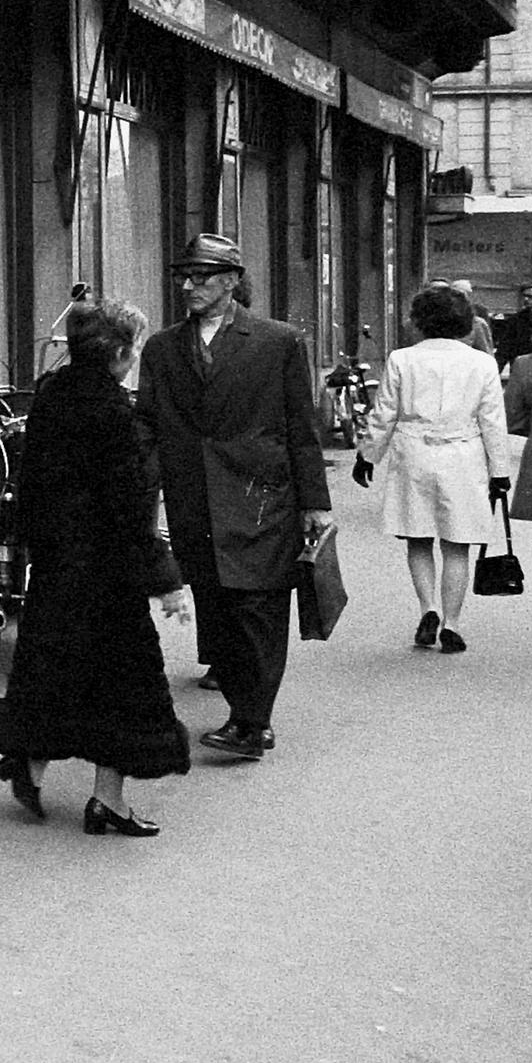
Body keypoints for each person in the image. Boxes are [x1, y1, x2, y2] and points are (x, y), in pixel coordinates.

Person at [0, 300, 193, 837]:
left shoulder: (52, 394)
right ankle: (107, 800)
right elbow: (128, 503)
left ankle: (29, 764)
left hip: (57, 564)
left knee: (51, 667)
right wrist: (165, 580)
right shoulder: (114, 413)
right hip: (108, 571)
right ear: (121, 353)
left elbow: (31, 485)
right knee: (127, 683)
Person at [135, 234, 331, 763]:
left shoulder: (279, 341)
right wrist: (141, 498)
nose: (189, 285)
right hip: (193, 497)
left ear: (231, 281)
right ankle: (242, 705)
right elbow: (148, 428)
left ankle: (253, 722)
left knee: (260, 606)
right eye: (185, 276)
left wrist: (316, 502)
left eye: (201, 276)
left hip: (262, 495)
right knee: (218, 603)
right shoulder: (161, 347)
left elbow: (301, 426)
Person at [352, 283, 509, 656]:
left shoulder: (402, 360)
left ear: (419, 322)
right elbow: (492, 421)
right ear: (465, 323)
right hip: (463, 455)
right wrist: (499, 470)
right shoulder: (481, 363)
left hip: (414, 455)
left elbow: (384, 413)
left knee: (418, 538)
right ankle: (452, 624)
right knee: (457, 545)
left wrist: (368, 455)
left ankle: (429, 609)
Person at [491, 284, 532, 369]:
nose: (526, 300)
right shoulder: (515, 321)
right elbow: (504, 350)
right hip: (522, 372)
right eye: (525, 296)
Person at [451, 279, 497, 359]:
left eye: (467, 293)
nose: (464, 296)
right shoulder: (445, 317)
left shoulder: (478, 319)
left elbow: (485, 349)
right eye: (458, 294)